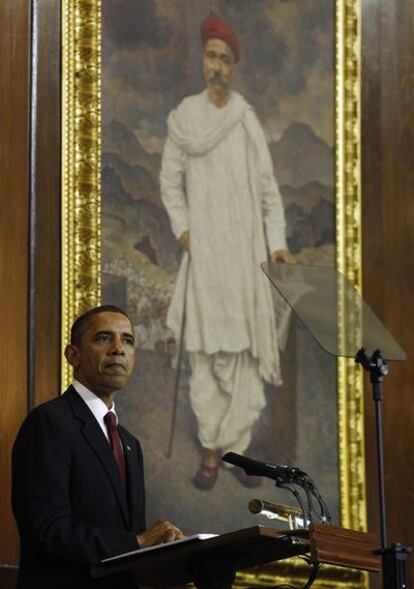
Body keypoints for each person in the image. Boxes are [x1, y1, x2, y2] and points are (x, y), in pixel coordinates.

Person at [160, 13, 295, 491]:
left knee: (241, 357)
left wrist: (276, 244)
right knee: (205, 356)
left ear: (233, 67)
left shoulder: (244, 120)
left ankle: (236, 450)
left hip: (242, 257)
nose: (215, 65)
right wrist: (183, 232)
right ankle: (211, 451)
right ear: (203, 62)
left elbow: (267, 190)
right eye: (210, 56)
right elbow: (169, 182)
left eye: (224, 58)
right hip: (205, 256)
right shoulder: (185, 117)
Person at [12, 305, 183, 589]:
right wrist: (137, 542)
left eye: (128, 340)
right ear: (73, 355)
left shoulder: (129, 443)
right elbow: (46, 531)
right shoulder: (49, 422)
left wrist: (164, 545)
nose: (118, 349)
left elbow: (132, 546)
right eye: (104, 338)